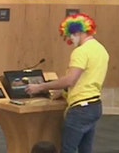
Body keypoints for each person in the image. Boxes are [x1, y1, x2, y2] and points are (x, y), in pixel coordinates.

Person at [26, 13, 109, 153]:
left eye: (70, 35)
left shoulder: (81, 52)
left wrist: (40, 87)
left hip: (80, 109)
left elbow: (70, 80)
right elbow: (87, 79)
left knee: (68, 149)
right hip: (95, 106)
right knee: (85, 149)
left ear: (78, 31)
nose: (70, 39)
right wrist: (64, 92)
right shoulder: (101, 49)